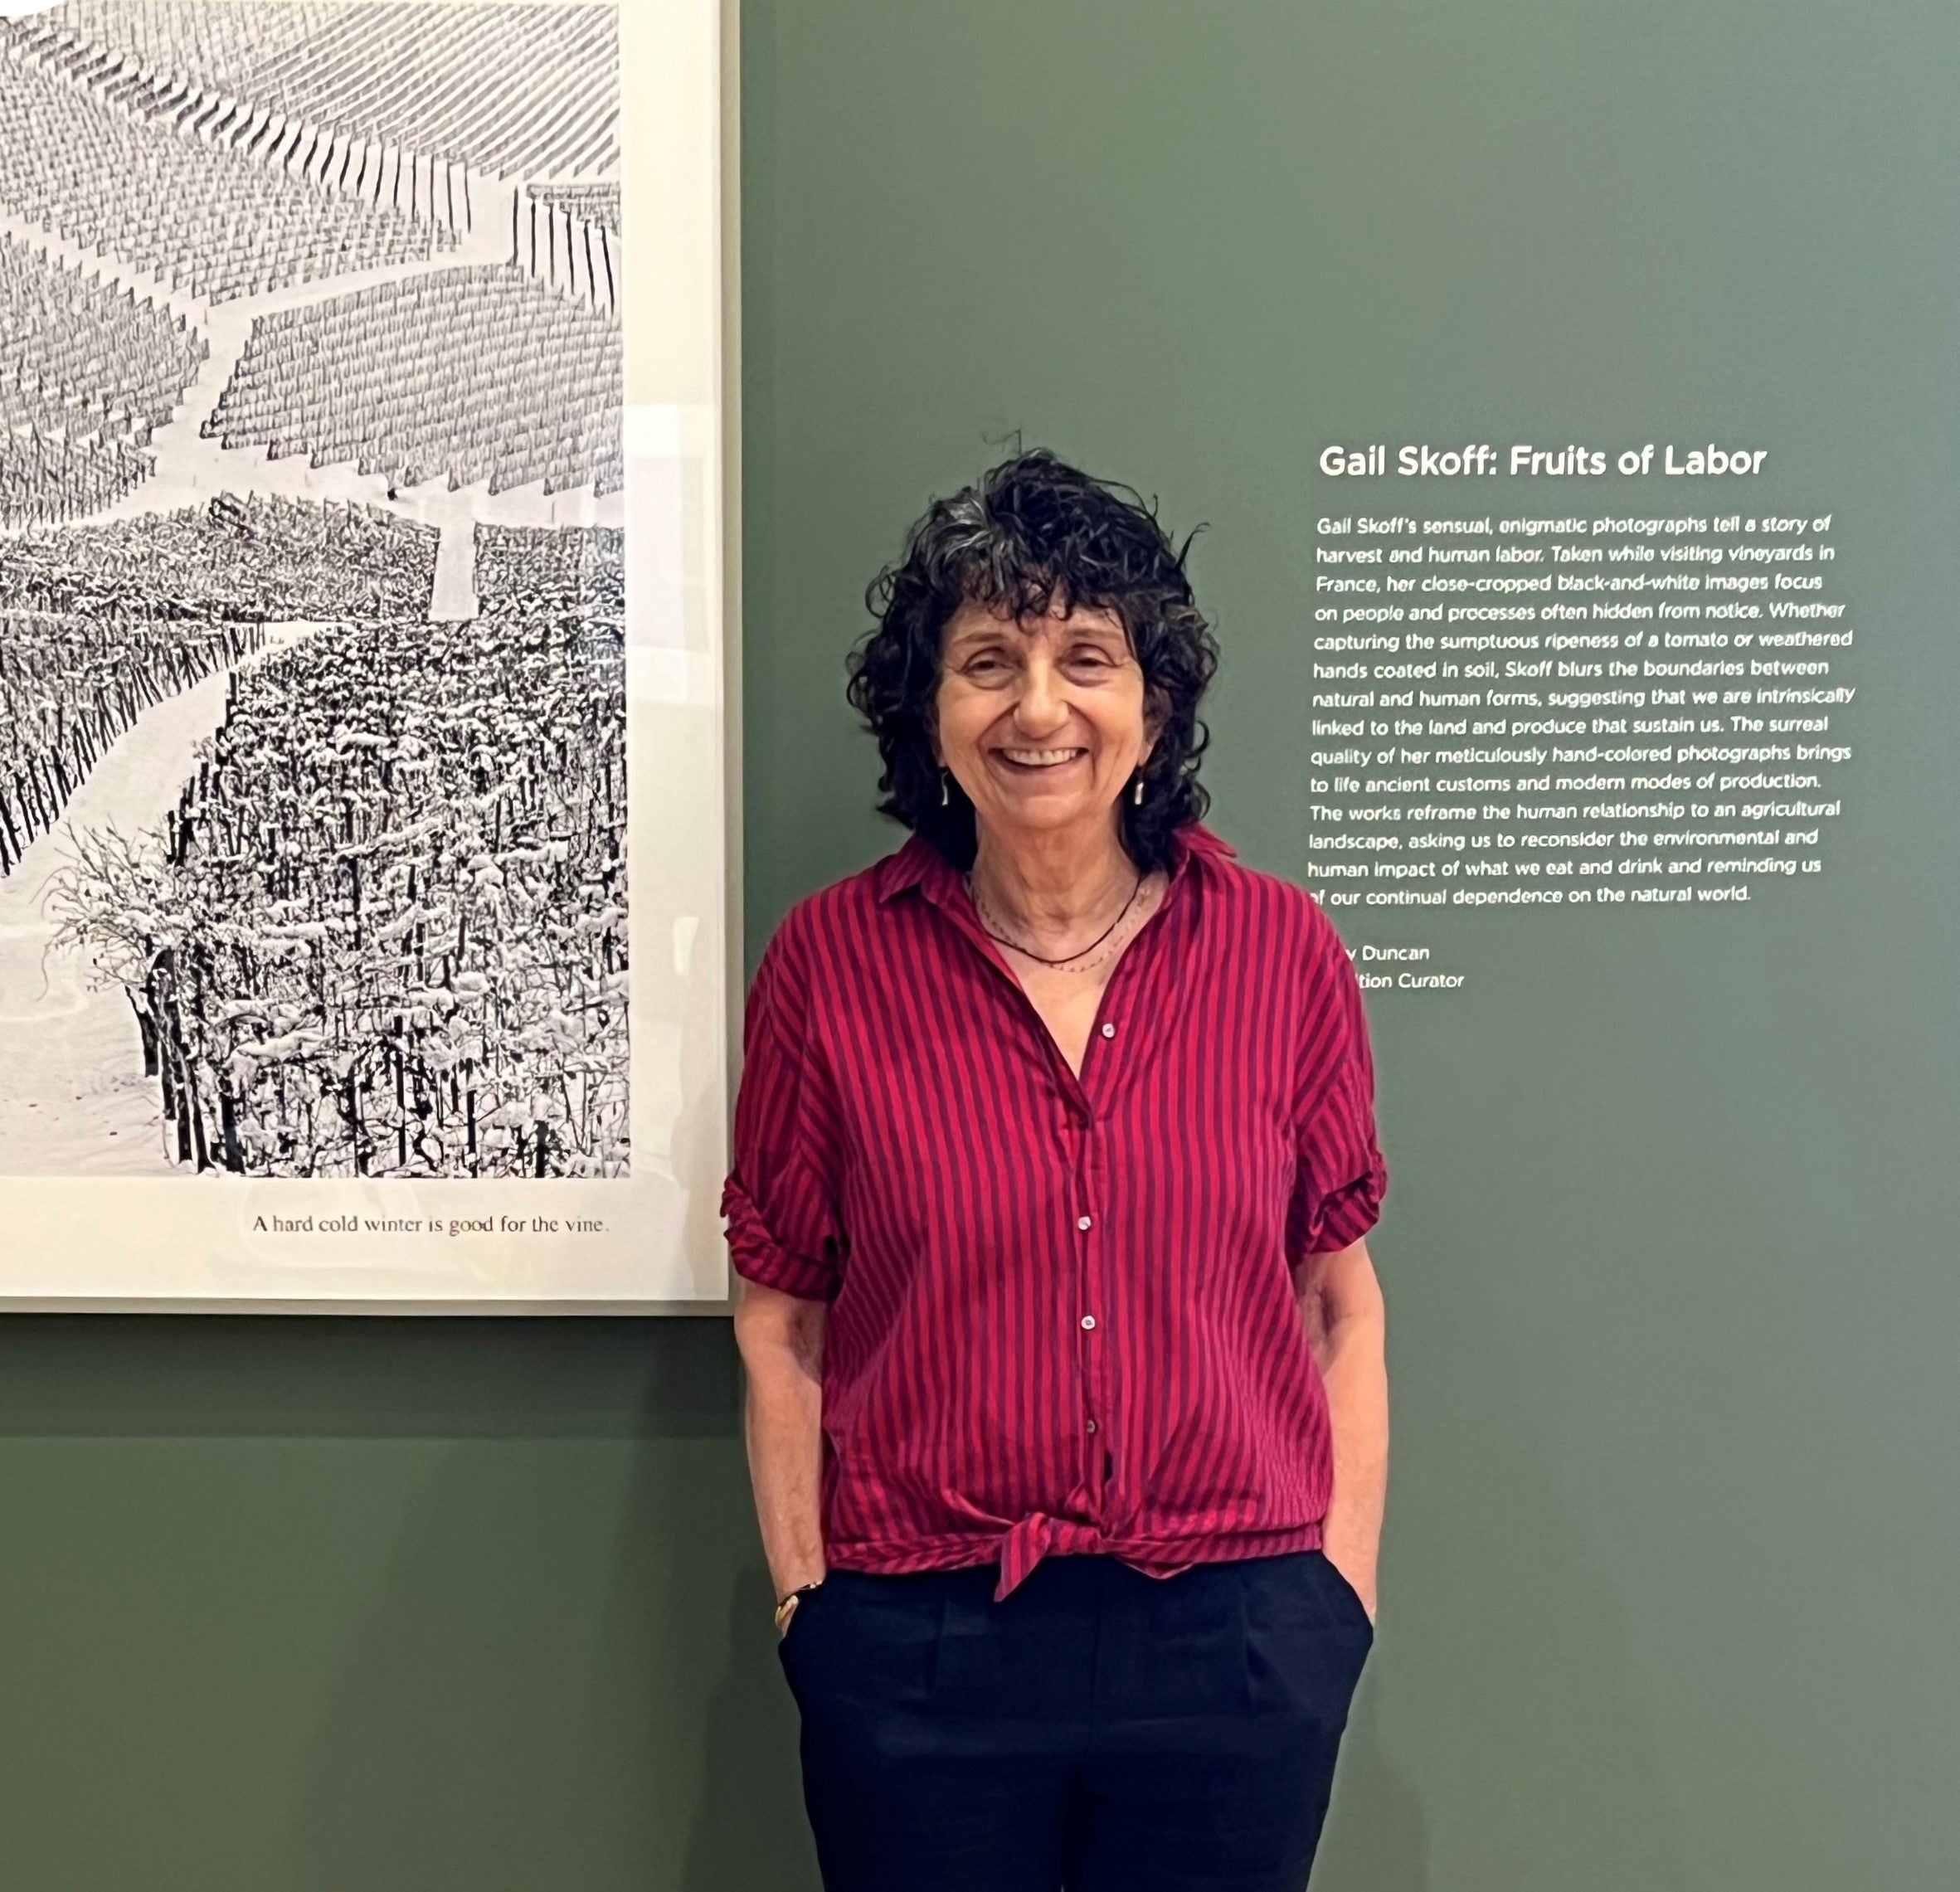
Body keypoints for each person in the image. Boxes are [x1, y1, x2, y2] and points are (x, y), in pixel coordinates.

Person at [724, 449, 1389, 1891]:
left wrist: (1337, 1595)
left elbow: (1340, 1295)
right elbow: (779, 1311)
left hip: (1235, 1639)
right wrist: (806, 1607)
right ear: (933, 714)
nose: (1039, 706)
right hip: (922, 1647)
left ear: (1152, 706)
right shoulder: (830, 965)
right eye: (988, 661)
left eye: (1085, 656)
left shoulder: (1281, 953)